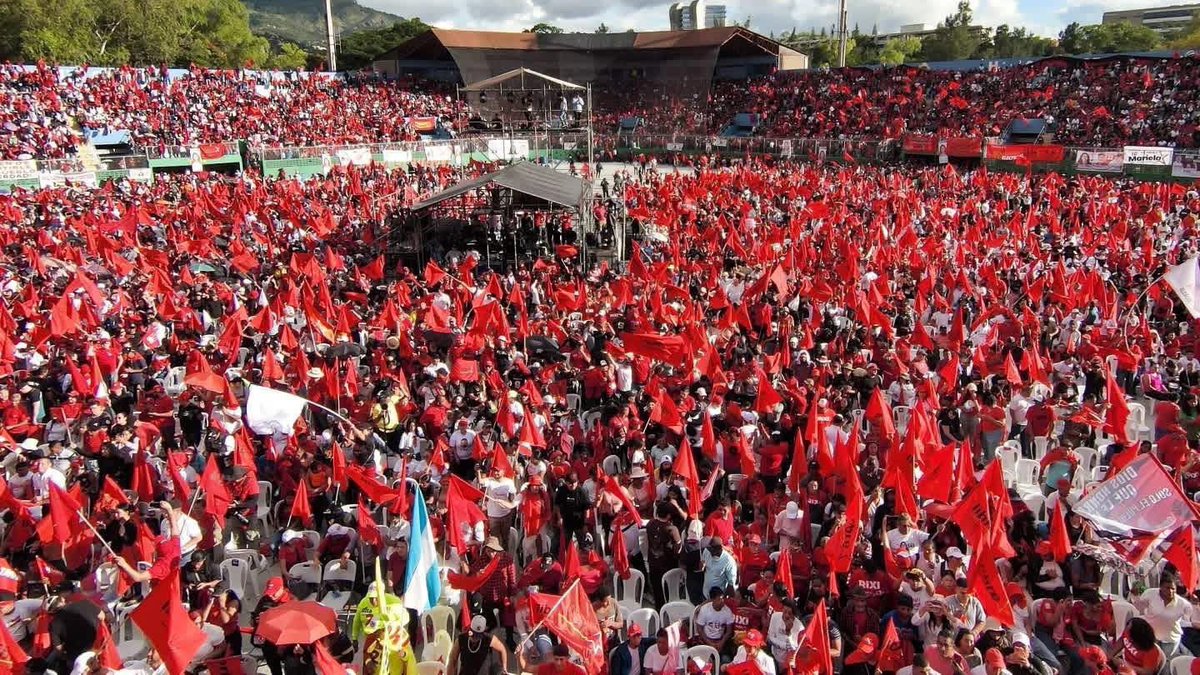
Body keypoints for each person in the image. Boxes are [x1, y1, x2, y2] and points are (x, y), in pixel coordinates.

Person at [695, 587, 735, 657]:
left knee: (725, 659)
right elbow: (699, 629)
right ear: (713, 600)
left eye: (723, 598)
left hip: (720, 640)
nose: (722, 601)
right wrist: (709, 643)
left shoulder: (727, 611)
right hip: (705, 639)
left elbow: (729, 631)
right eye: (719, 599)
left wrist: (722, 642)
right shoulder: (704, 610)